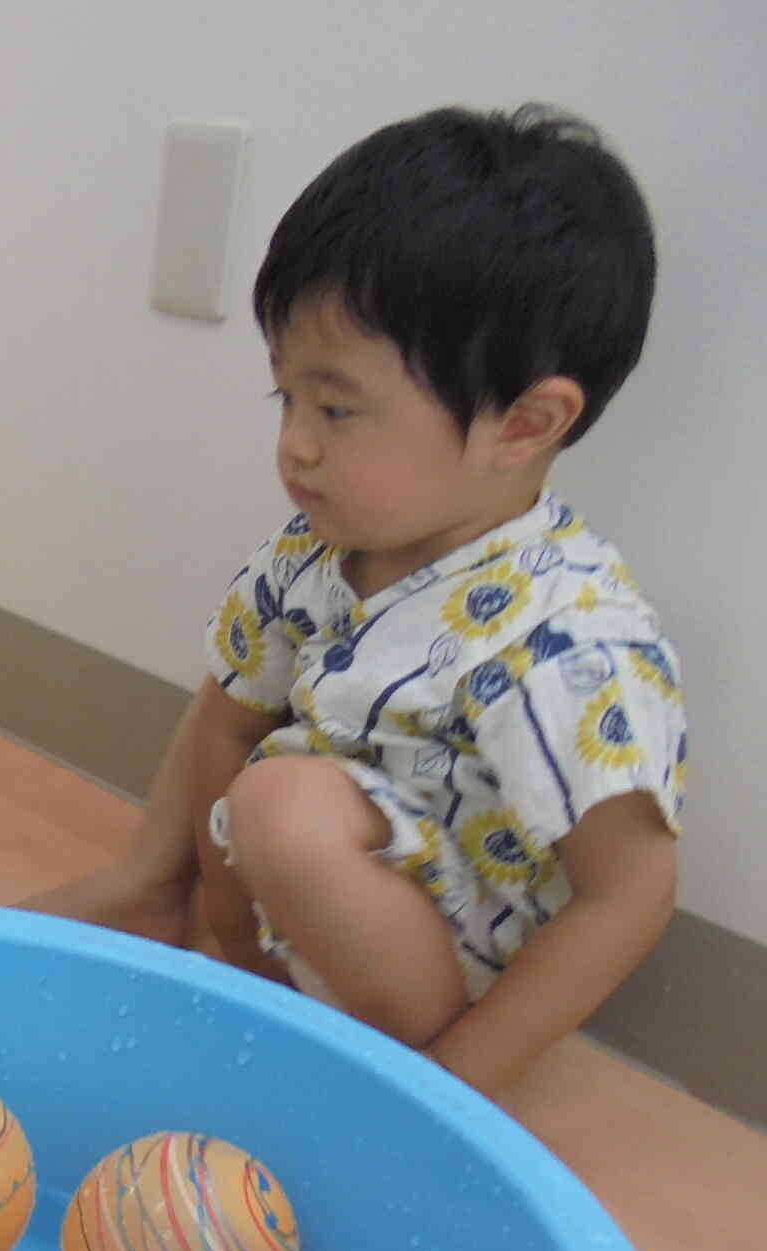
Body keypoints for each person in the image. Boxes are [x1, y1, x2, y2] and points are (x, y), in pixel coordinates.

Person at [33, 108, 683, 1098]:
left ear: (525, 423)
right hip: (281, 908)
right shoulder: (316, 549)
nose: (295, 444)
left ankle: (393, 1065)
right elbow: (227, 711)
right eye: (283, 398)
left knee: (284, 802)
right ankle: (211, 954)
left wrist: (460, 1082)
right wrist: (170, 889)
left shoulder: (566, 639)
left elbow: (630, 896)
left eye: (335, 409)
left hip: (438, 972)